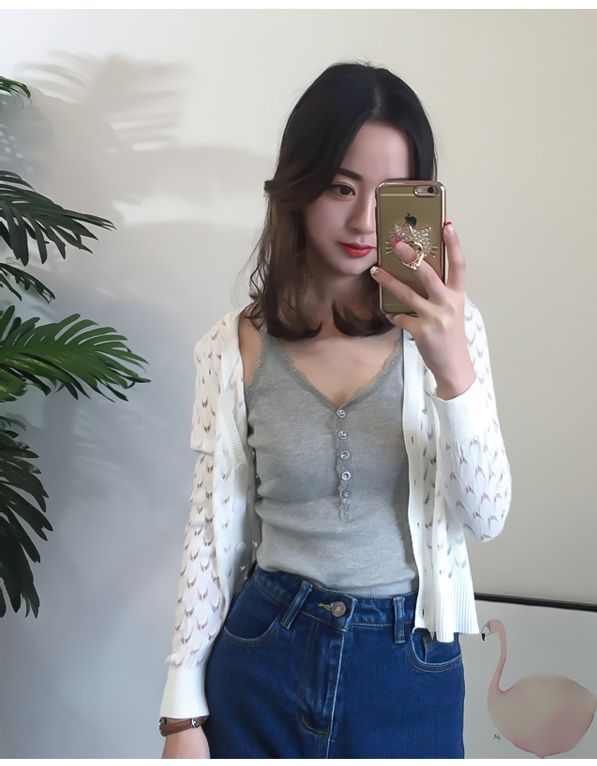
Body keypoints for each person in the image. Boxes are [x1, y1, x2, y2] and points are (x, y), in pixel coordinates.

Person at [159, 61, 511, 759]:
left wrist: (453, 372)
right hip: (263, 655)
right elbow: (208, 534)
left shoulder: (452, 333)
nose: (361, 221)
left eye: (388, 196)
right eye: (340, 187)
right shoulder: (231, 346)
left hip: (408, 668)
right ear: (298, 185)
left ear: (419, 202)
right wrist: (182, 719)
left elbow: (487, 518)